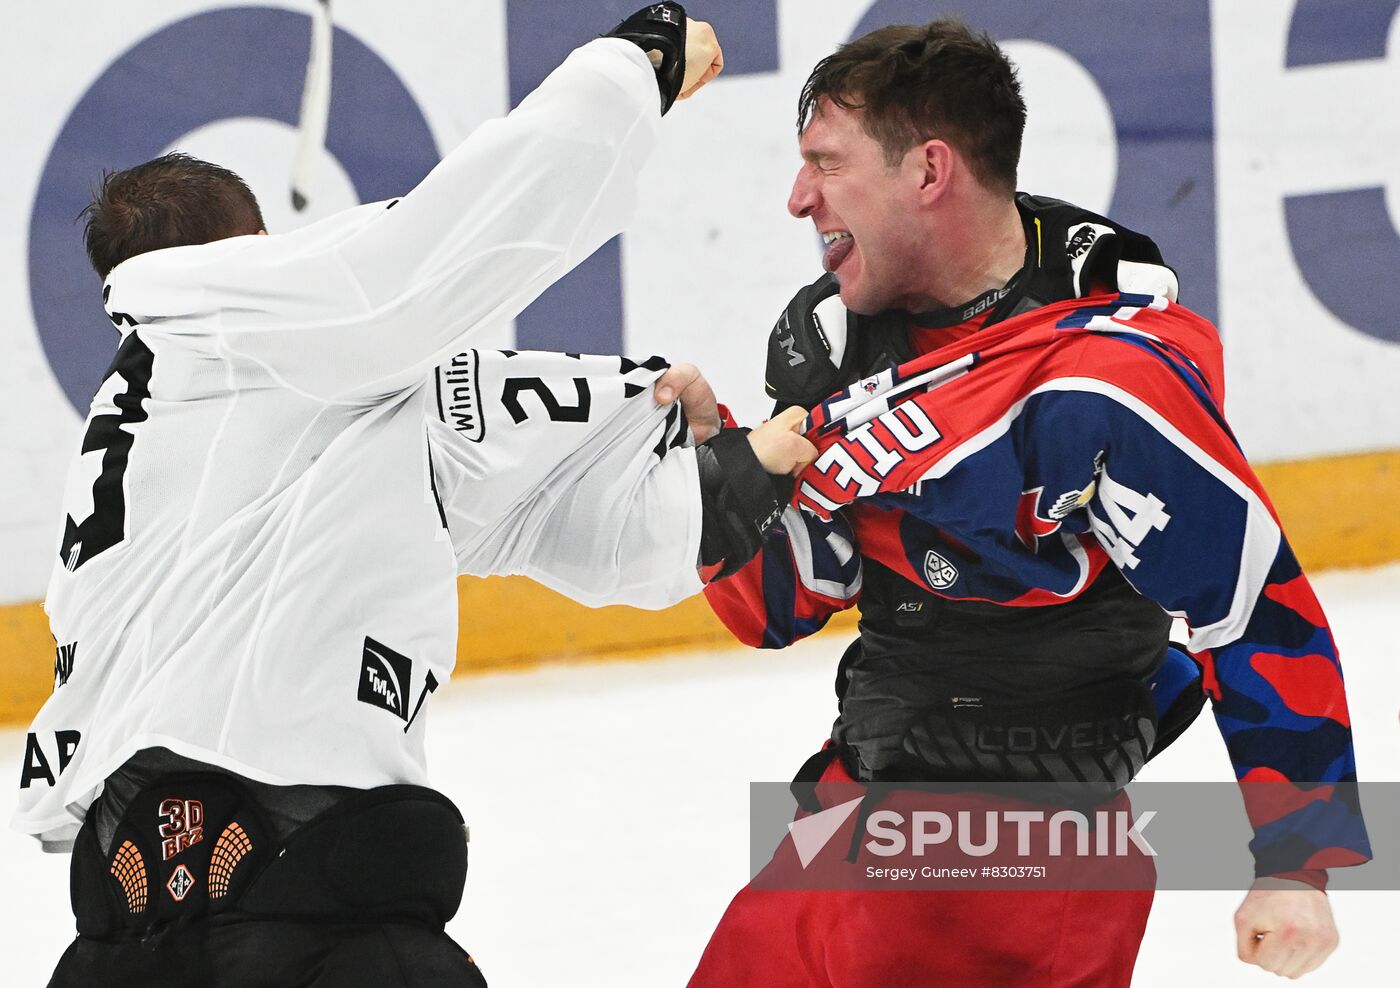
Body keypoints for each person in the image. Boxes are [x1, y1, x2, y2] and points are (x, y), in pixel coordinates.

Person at [12, 6, 815, 985]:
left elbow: (498, 497)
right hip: (310, 923)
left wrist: (703, 481)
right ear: (259, 250)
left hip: (123, 934)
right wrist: (635, 63)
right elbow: (427, 261)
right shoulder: (237, 318)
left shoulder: (194, 427)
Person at [694, 19, 1369, 986]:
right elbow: (783, 605)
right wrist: (719, 473)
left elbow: (1250, 601)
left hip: (1030, 848)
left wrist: (1299, 861)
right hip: (859, 800)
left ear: (929, 172)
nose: (798, 197)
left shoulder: (1105, 376)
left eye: (825, 164)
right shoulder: (832, 335)